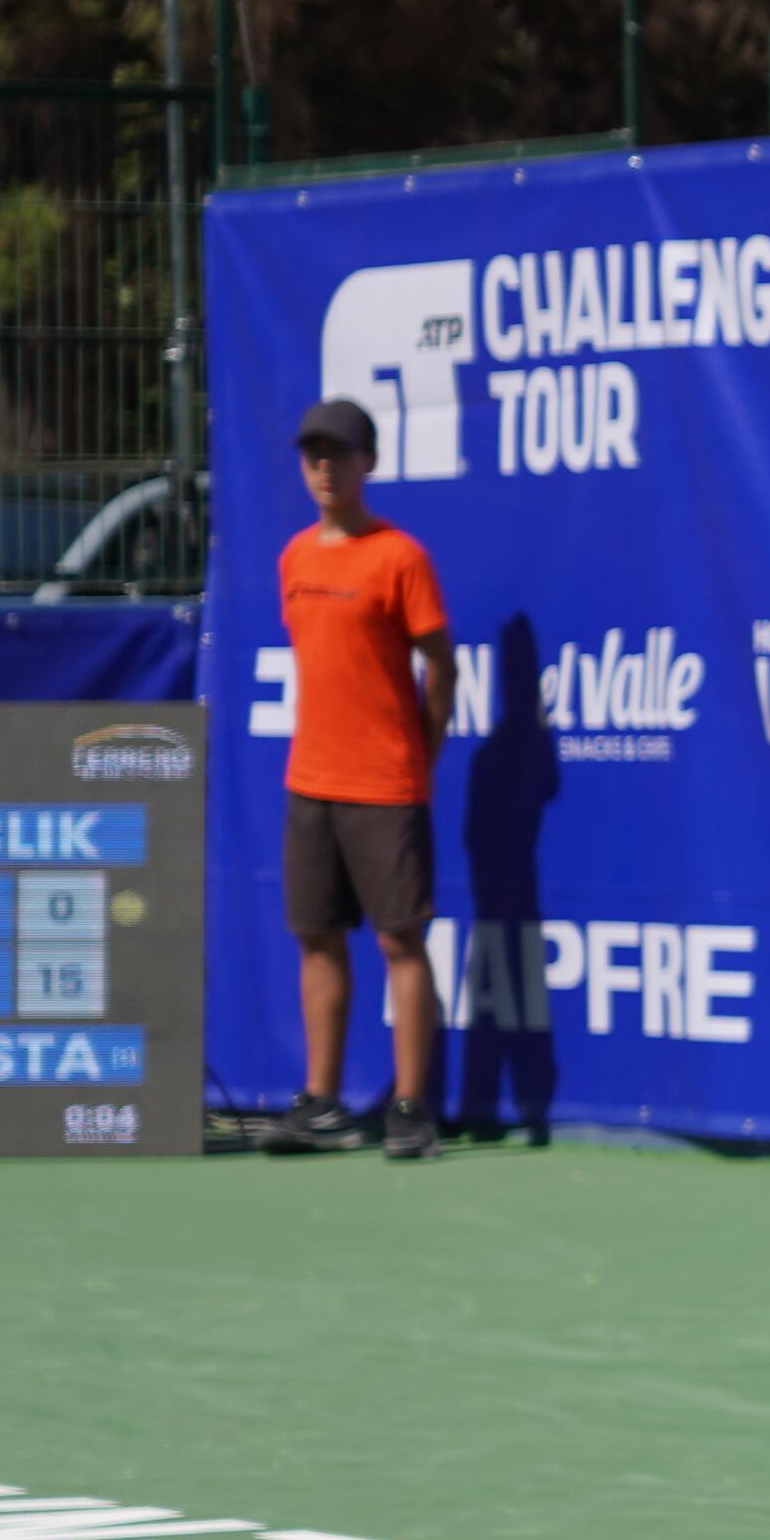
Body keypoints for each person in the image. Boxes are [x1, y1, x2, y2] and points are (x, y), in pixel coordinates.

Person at [273, 395, 455, 1160]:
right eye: (313, 452)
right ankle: (323, 1103)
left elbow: (440, 664)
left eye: (339, 452)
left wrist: (423, 751)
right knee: (317, 937)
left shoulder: (400, 557)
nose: (324, 465)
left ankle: (411, 1110)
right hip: (310, 779)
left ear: (368, 462)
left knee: (400, 943)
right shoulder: (294, 556)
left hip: (385, 782)